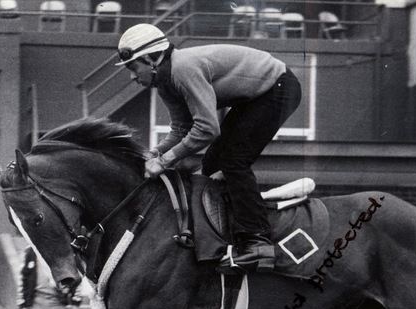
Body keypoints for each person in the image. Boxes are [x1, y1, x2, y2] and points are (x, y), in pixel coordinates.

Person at [115, 23, 302, 272]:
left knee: (234, 160)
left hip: (278, 88)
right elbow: (181, 130)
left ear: (150, 59)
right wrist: (154, 153)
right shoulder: (165, 83)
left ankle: (258, 242)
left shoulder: (183, 69)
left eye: (132, 67)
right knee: (212, 161)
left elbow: (207, 130)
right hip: (257, 97)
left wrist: (163, 161)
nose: (131, 76)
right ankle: (228, 236)